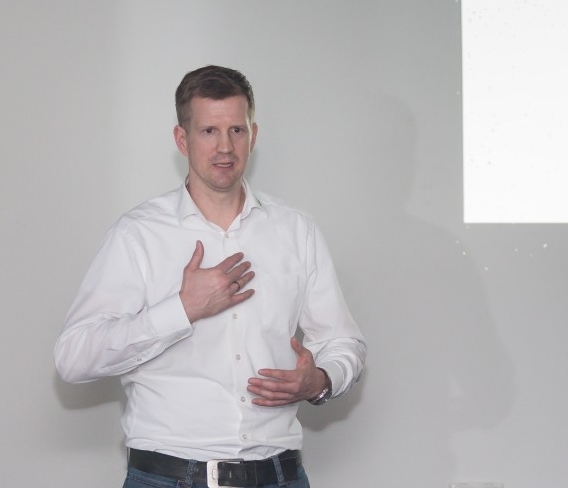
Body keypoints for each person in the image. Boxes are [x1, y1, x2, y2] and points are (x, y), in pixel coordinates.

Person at [55, 65, 366, 488]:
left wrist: (321, 381)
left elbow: (344, 341)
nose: (225, 147)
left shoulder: (296, 230)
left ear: (253, 136)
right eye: (208, 132)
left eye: (237, 130)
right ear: (182, 139)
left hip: (279, 475)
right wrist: (181, 309)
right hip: (167, 476)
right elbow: (73, 357)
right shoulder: (138, 234)